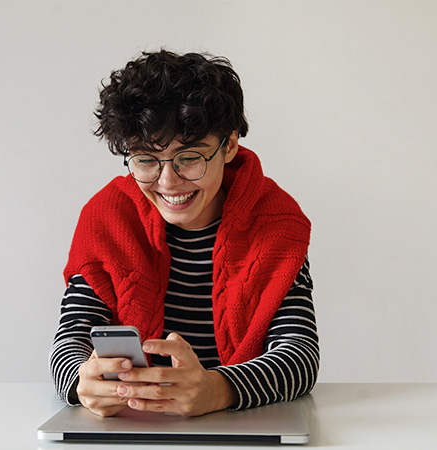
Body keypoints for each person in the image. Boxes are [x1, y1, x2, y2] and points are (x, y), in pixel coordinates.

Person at [49, 49, 319, 418]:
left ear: (230, 145)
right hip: (132, 422)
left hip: (237, 421)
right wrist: (82, 384)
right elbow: (69, 343)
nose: (168, 182)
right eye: (145, 160)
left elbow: (299, 357)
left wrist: (219, 390)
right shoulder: (105, 218)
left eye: (190, 157)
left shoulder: (276, 222)